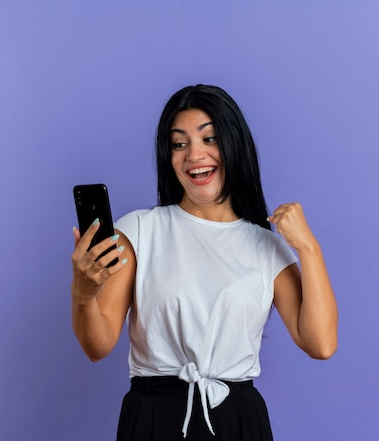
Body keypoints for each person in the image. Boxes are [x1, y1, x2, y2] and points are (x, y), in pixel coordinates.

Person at [70, 84, 338, 441]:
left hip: (237, 419)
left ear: (234, 145)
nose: (194, 155)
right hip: (153, 416)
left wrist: (309, 248)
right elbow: (97, 346)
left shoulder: (266, 246)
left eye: (209, 139)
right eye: (180, 144)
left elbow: (320, 344)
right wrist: (83, 293)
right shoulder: (138, 231)